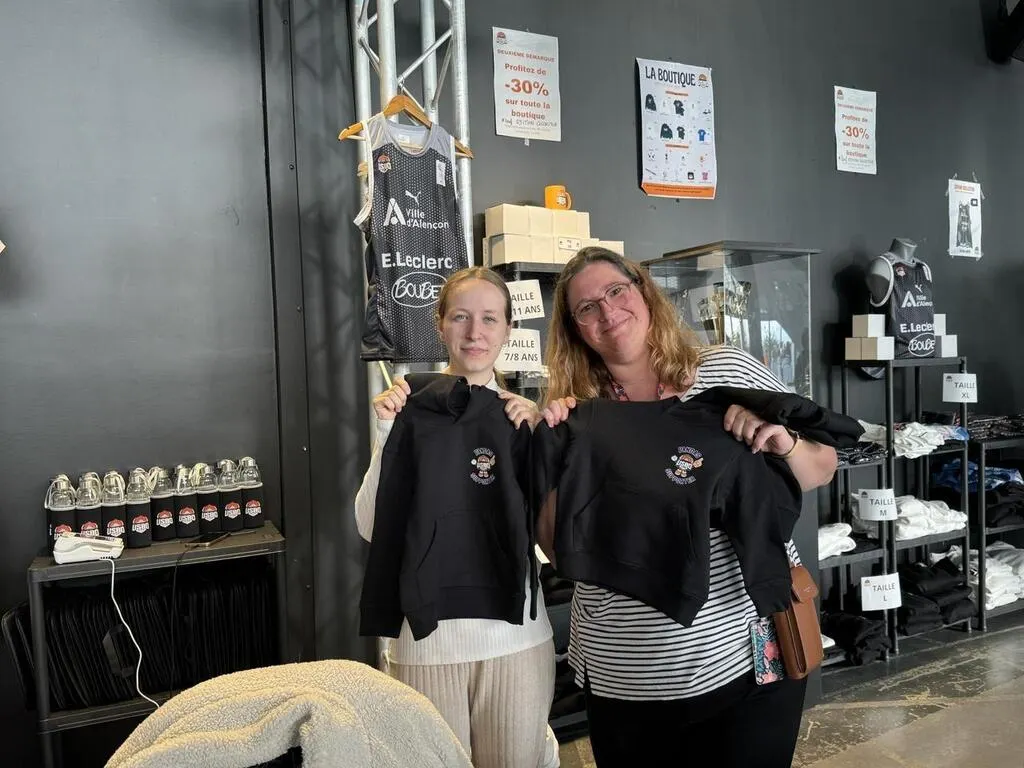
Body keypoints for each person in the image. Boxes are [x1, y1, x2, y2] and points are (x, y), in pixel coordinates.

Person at [537, 247, 837, 767]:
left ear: (644, 292)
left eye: (616, 291)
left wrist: (782, 441)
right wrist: (554, 452)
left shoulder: (725, 370)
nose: (607, 311)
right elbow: (558, 547)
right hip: (627, 674)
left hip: (749, 657)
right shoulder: (577, 415)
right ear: (574, 328)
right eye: (586, 308)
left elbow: (822, 467)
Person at [354, 266, 560, 768]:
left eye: (489, 318)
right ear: (440, 324)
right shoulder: (407, 410)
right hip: (425, 642)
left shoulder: (524, 417)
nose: (475, 332)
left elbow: (554, 535)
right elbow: (370, 526)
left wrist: (541, 442)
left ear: (508, 329)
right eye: (461, 317)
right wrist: (387, 433)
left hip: (516, 637)